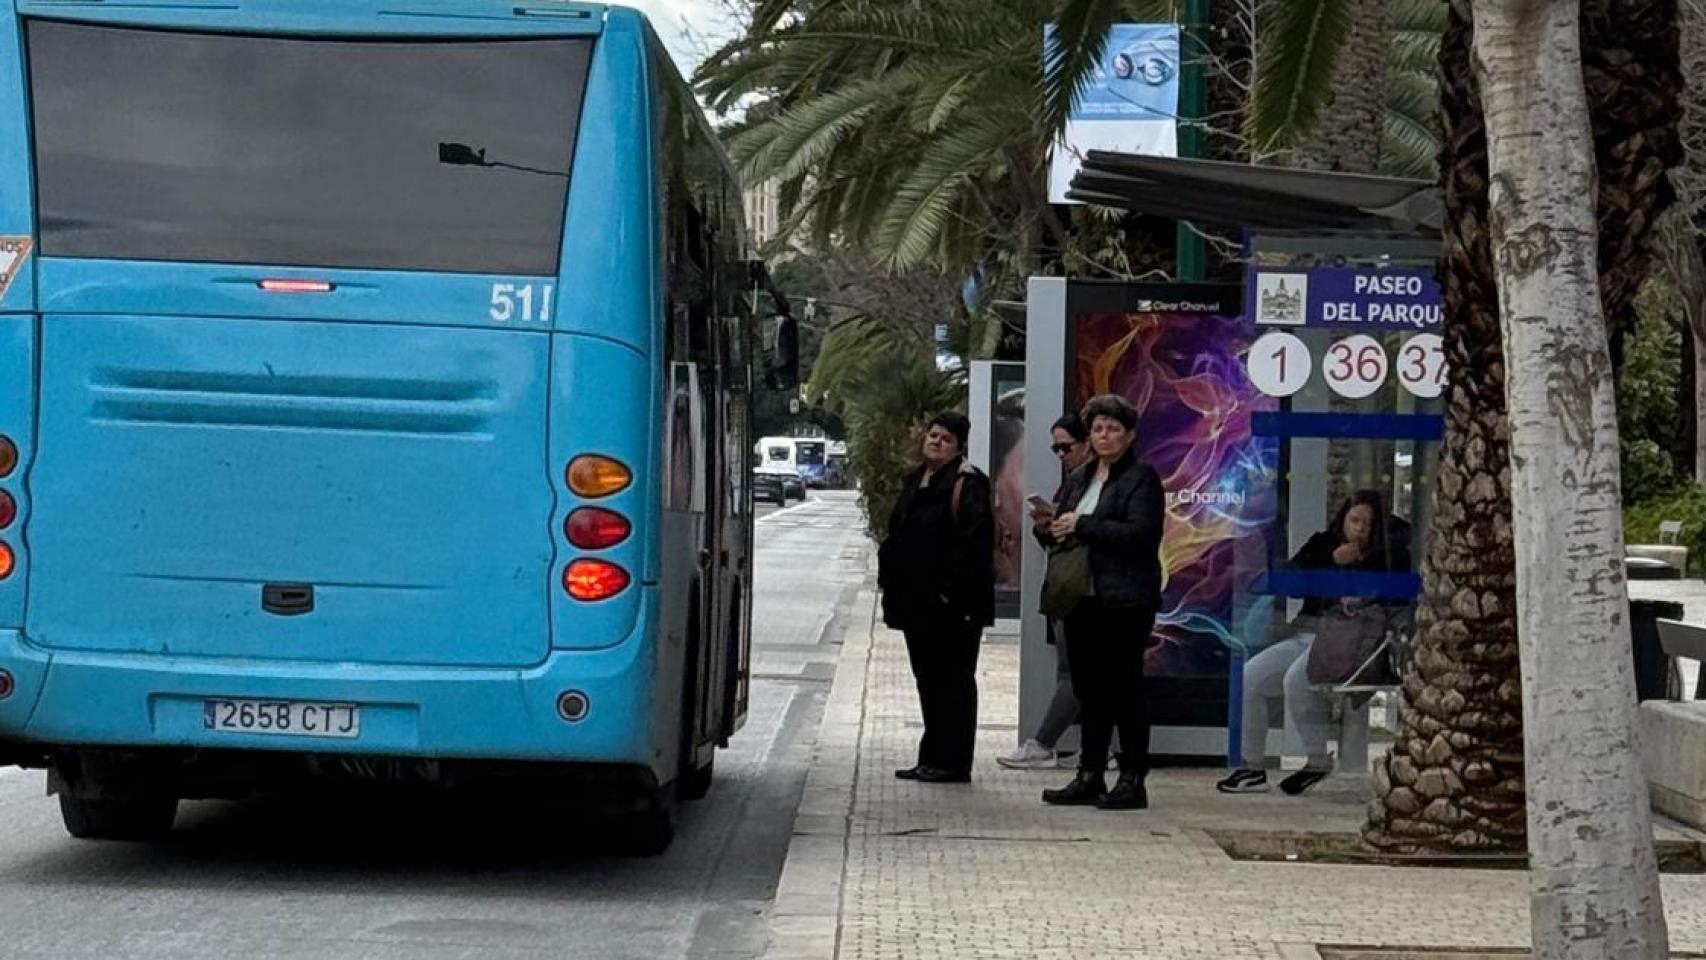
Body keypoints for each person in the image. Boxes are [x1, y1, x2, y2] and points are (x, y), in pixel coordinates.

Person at [1216, 489, 1412, 796]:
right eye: (1354, 520)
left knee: (1298, 678)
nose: (1359, 529)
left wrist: (1362, 596)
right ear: (1343, 519)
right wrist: (1331, 562)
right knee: (1251, 677)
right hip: (1307, 632)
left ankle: (1317, 757)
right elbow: (1292, 579)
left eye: (1368, 523)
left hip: (1350, 641)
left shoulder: (1387, 555)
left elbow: (1395, 598)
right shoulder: (1323, 543)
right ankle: (1251, 765)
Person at [1037, 394, 1164, 810]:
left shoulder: (1141, 478)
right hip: (1082, 595)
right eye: (1097, 429)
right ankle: (1089, 772)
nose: (1104, 435)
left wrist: (1086, 525)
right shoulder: (1079, 477)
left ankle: (1132, 777)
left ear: (1128, 435)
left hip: (1124, 598)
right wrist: (1051, 527)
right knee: (1089, 689)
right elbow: (1064, 525)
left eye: (1112, 428)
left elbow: (1141, 535)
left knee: (1124, 688)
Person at [878, 411, 995, 784]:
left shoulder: (968, 484)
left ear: (959, 446)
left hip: (952, 607)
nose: (936, 442)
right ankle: (931, 756)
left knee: (954, 682)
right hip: (916, 604)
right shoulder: (917, 479)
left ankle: (954, 761)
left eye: (946, 439)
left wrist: (949, 592)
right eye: (933, 435)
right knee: (928, 680)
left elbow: (973, 545)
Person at [998, 413, 1093, 770]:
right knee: (1079, 672)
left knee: (1079, 672)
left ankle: (1044, 742)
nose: (1061, 455)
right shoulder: (1074, 480)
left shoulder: (1095, 482)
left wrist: (1073, 525)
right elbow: (1058, 537)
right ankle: (1089, 745)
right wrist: (1047, 526)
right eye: (1056, 448)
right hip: (1065, 584)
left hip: (1082, 587)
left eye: (1066, 447)